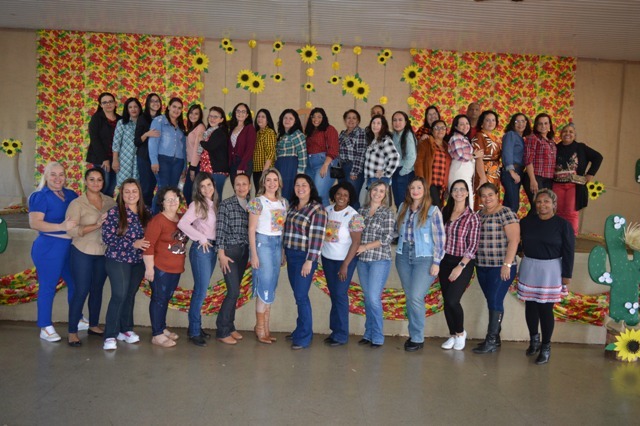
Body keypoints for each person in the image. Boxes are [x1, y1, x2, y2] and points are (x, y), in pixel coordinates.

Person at [518, 189, 575, 364]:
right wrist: (520, 251)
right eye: (539, 202)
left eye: (546, 201)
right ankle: (534, 340)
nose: (542, 205)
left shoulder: (563, 225)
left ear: (554, 204)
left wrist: (567, 275)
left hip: (551, 270)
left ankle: (546, 347)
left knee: (545, 309)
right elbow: (517, 241)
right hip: (529, 266)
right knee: (530, 306)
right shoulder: (526, 222)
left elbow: (569, 251)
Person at [66, 167, 116, 346]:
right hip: (82, 251)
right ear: (85, 182)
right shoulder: (77, 203)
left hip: (103, 252)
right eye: (92, 179)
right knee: (81, 290)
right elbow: (71, 230)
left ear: (104, 182)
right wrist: (96, 225)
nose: (96, 183)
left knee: (97, 290)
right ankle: (72, 331)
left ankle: (93, 325)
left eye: (99, 179)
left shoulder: (110, 201)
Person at [28, 162, 78, 342]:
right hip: (49, 247)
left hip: (69, 247)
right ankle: (45, 326)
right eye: (53, 174)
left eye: (61, 174)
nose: (58, 178)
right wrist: (61, 227)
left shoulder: (71, 194)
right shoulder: (40, 196)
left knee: (76, 284)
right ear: (46, 176)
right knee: (48, 287)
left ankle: (76, 317)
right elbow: (35, 223)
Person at [395, 177, 445, 352]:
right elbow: (395, 231)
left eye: (419, 187)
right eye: (412, 188)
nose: (415, 191)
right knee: (411, 297)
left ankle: (417, 337)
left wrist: (436, 262)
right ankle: (414, 335)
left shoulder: (433, 211)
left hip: (424, 257)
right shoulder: (402, 207)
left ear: (424, 190)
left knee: (416, 296)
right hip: (403, 256)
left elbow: (440, 239)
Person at [102, 179, 151, 351]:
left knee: (130, 295)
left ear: (139, 193)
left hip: (138, 261)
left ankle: (126, 330)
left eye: (134, 191)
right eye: (127, 191)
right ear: (121, 195)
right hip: (118, 259)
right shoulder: (114, 212)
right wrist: (132, 244)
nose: (131, 195)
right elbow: (107, 238)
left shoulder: (147, 212)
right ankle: (110, 335)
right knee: (119, 295)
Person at [472, 183, 520, 354]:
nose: (487, 198)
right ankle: (496, 338)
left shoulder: (506, 213)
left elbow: (514, 240)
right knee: (493, 301)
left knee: (494, 300)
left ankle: (491, 340)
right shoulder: (479, 215)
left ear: (497, 195)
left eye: (490, 194)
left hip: (501, 267)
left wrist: (507, 264)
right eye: (483, 195)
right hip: (482, 266)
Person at [283, 174, 328, 350]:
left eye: (304, 185)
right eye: (297, 185)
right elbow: (286, 231)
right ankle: (300, 329)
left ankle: (304, 337)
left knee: (301, 296)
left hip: (305, 257)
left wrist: (310, 261)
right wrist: (284, 252)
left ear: (310, 188)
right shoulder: (292, 207)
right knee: (298, 295)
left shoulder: (317, 209)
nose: (300, 188)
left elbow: (317, 238)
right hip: (291, 255)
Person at [438, 179, 480, 351]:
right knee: (446, 301)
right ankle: (453, 335)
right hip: (444, 261)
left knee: (453, 300)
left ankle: (461, 333)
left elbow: (473, 245)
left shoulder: (472, 216)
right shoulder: (444, 211)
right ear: (451, 193)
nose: (459, 192)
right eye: (455, 189)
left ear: (468, 193)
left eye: (462, 189)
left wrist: (460, 266)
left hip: (463, 262)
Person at [143, 187, 187, 348]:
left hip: (176, 268)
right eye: (169, 199)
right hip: (160, 268)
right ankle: (157, 334)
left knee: (165, 298)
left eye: (175, 198)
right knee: (159, 299)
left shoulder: (182, 219)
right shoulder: (157, 221)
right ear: (162, 202)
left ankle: (161, 328)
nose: (173, 202)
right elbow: (148, 246)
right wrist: (149, 269)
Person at [178, 173, 218, 346]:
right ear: (198, 189)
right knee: (201, 291)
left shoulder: (213, 204)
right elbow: (182, 224)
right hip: (202, 249)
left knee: (200, 290)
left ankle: (195, 327)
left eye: (209, 185)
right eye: (202, 186)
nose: (207, 189)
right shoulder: (197, 204)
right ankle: (194, 331)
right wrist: (201, 238)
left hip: (212, 249)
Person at [248, 168, 288, 344]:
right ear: (263, 182)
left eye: (275, 180)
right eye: (269, 180)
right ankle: (260, 328)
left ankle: (266, 327)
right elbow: (251, 229)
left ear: (279, 183)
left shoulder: (283, 202)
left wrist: (282, 251)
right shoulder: (257, 202)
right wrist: (254, 255)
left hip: (276, 244)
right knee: (264, 284)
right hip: (262, 244)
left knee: (271, 285)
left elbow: (282, 229)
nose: (272, 183)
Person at [321, 182, 363, 347]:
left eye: (345, 195)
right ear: (334, 195)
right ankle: (335, 331)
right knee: (334, 294)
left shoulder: (354, 216)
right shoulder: (326, 211)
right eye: (339, 194)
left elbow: (356, 242)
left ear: (350, 198)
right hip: (327, 259)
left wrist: (345, 264)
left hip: (345, 261)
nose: (341, 197)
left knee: (340, 294)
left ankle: (341, 335)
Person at [355, 181, 396, 348]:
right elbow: (355, 234)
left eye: (381, 191)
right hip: (362, 261)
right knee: (368, 299)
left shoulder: (388, 212)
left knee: (373, 298)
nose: (377, 193)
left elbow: (387, 238)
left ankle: (378, 336)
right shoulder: (361, 211)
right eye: (375, 190)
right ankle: (368, 333)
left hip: (379, 260)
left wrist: (365, 246)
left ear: (385, 195)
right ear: (370, 191)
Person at [215, 173, 252, 345]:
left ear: (249, 186)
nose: (241, 187)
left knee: (235, 290)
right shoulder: (226, 204)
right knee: (233, 292)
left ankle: (230, 326)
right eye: (238, 184)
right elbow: (220, 230)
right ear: (234, 186)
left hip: (244, 252)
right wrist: (221, 254)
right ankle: (222, 330)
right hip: (229, 252)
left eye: (244, 184)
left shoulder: (252, 205)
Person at [553, 123, 603, 235]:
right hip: (557, 185)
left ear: (575, 135)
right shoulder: (555, 148)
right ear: (561, 134)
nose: (568, 133)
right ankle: (558, 237)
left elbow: (598, 157)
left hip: (574, 185)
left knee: (571, 212)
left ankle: (571, 238)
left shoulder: (581, 147)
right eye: (565, 131)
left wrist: (590, 174)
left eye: (571, 132)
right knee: (558, 212)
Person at [148, 97, 186, 214]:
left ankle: (169, 216)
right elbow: (153, 142)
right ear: (168, 107)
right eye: (174, 107)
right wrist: (154, 161)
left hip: (178, 162)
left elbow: (184, 148)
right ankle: (154, 217)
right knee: (163, 190)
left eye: (179, 108)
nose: (176, 110)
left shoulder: (181, 125)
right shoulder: (159, 121)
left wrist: (184, 167)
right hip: (163, 160)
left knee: (173, 191)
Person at [86, 92, 121, 196]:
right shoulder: (96, 118)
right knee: (102, 187)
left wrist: (117, 159)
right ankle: (96, 206)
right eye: (104, 102)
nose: (108, 104)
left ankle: (107, 207)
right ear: (101, 105)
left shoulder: (120, 119)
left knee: (111, 187)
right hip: (101, 159)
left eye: (110, 101)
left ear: (115, 103)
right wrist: (104, 159)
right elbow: (95, 140)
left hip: (116, 159)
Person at [305, 107, 339, 206]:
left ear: (324, 118)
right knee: (311, 195)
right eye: (314, 117)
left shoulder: (329, 129)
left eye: (319, 117)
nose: (316, 119)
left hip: (323, 163)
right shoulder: (310, 131)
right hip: (309, 165)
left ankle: (324, 215)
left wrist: (325, 164)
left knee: (320, 195)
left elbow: (333, 148)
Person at [414, 119, 451, 208]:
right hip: (429, 182)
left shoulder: (447, 146)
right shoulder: (426, 142)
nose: (440, 130)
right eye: (437, 128)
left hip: (442, 185)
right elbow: (419, 162)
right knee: (436, 208)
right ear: (432, 131)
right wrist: (421, 181)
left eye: (443, 128)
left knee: (436, 209)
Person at [523, 113, 556, 212]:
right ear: (536, 126)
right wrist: (533, 180)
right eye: (540, 123)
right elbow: (528, 160)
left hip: (549, 178)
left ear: (549, 125)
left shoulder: (551, 141)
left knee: (545, 209)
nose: (543, 126)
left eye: (546, 123)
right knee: (537, 208)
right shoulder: (533, 138)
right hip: (536, 177)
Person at [134, 93, 162, 208]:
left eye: (157, 101)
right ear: (148, 103)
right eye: (152, 101)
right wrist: (147, 134)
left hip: (157, 158)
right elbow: (136, 141)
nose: (155, 103)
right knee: (145, 187)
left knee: (153, 186)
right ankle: (143, 212)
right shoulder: (142, 118)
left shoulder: (162, 119)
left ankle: (150, 211)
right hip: (144, 157)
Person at [501, 113, 532, 214]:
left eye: (523, 121)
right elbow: (507, 153)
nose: (520, 124)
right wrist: (512, 172)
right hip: (511, 171)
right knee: (513, 205)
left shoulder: (522, 139)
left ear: (526, 123)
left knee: (508, 204)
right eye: (517, 121)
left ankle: (503, 223)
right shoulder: (510, 135)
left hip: (519, 171)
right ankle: (510, 224)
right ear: (512, 123)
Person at [472, 110, 502, 210]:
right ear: (482, 122)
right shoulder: (479, 136)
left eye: (493, 120)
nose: (491, 122)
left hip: (494, 172)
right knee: (484, 197)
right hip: (484, 171)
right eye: (487, 120)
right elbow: (479, 158)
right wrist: (482, 177)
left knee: (493, 198)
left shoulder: (495, 138)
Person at [337, 109, 367, 210]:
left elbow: (361, 153)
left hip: (353, 167)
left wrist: (355, 171)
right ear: (345, 120)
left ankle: (356, 220)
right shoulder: (342, 133)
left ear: (358, 121)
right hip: (342, 168)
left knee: (352, 198)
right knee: (342, 197)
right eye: (348, 118)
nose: (351, 120)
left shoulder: (361, 132)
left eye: (354, 118)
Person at [275, 109, 307, 200]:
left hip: (290, 166)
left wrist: (300, 173)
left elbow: (302, 155)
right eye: (285, 118)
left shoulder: (297, 134)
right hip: (279, 165)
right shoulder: (281, 135)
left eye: (290, 118)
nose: (287, 120)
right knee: (279, 190)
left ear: (295, 121)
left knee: (287, 191)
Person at [199, 106, 230, 200]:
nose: (212, 119)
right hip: (208, 169)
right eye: (210, 116)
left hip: (216, 171)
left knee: (215, 197)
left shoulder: (219, 132)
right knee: (208, 198)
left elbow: (210, 146)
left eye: (215, 117)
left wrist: (201, 140)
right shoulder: (209, 131)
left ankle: (217, 211)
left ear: (221, 119)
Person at [446, 114, 476, 210]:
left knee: (466, 199)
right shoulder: (455, 137)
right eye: (462, 124)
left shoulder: (464, 138)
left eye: (467, 123)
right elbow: (459, 155)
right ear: (456, 126)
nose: (465, 126)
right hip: (459, 171)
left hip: (464, 173)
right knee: (461, 199)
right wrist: (473, 155)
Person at [112, 97, 142, 188]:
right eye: (130, 107)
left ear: (139, 108)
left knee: (137, 187)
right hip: (124, 160)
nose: (133, 109)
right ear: (127, 109)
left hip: (139, 160)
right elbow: (116, 143)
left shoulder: (144, 123)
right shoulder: (122, 123)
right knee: (123, 186)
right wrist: (115, 160)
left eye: (135, 107)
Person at [363, 115, 400, 189]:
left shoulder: (385, 140)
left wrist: (385, 173)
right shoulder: (373, 140)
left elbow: (395, 157)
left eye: (378, 123)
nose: (375, 125)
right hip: (370, 178)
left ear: (383, 126)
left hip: (380, 180)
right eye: (373, 123)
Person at [390, 111, 417, 209]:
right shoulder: (394, 135)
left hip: (405, 172)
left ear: (406, 122)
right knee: (398, 204)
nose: (397, 123)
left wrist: (402, 172)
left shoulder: (408, 135)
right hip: (396, 171)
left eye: (400, 120)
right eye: (395, 120)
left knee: (404, 204)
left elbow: (412, 157)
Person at [228, 103, 257, 184]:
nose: (240, 113)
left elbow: (250, 149)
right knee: (235, 187)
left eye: (243, 111)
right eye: (238, 111)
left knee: (243, 188)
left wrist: (242, 166)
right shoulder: (232, 128)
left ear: (247, 115)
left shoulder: (249, 128)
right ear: (235, 113)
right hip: (233, 163)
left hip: (244, 163)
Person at [184, 104, 206, 205]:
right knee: (189, 193)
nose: (193, 115)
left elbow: (198, 149)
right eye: (191, 113)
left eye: (196, 114)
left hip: (197, 165)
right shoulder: (192, 127)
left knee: (190, 193)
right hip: (192, 164)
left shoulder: (200, 127)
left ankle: (195, 213)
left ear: (200, 116)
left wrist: (192, 168)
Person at [252, 109, 277, 191]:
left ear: (267, 120)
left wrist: (265, 171)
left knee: (264, 193)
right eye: (258, 116)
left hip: (265, 170)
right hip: (256, 169)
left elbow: (270, 153)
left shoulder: (269, 132)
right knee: (259, 193)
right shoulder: (257, 133)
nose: (260, 119)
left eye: (263, 117)